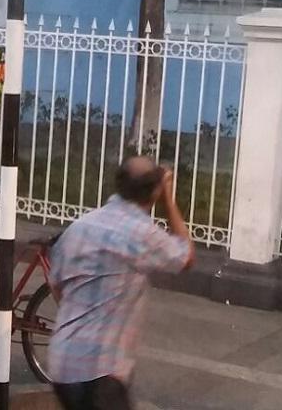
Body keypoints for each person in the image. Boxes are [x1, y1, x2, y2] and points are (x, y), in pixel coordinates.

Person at [48, 156, 195, 409]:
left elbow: (56, 285)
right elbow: (185, 257)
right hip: (101, 372)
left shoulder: (80, 226)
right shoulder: (141, 233)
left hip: (62, 364)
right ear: (155, 190)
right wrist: (169, 201)